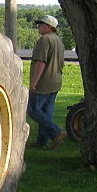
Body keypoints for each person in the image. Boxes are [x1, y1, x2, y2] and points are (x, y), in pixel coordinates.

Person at [27, 14, 67, 149]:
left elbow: (41, 62)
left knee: (33, 110)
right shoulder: (58, 40)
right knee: (46, 112)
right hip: (55, 81)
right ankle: (42, 142)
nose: (39, 26)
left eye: (41, 24)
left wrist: (34, 82)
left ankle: (56, 132)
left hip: (44, 82)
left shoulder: (45, 40)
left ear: (49, 27)